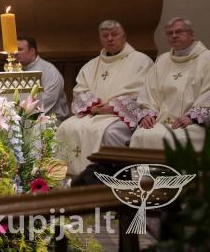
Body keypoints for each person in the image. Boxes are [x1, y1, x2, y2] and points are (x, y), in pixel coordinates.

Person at [56, 20, 152, 177]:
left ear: (124, 36)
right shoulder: (92, 65)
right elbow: (80, 90)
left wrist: (113, 107)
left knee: (110, 132)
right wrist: (93, 107)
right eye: (105, 35)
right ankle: (72, 178)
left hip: (121, 116)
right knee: (65, 127)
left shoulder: (141, 61)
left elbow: (142, 92)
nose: (110, 39)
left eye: (114, 34)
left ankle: (114, 177)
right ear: (100, 39)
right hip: (93, 113)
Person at [130, 17, 209, 151]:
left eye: (179, 32)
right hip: (159, 121)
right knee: (140, 135)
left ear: (191, 34)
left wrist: (192, 117)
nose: (174, 36)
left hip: (192, 124)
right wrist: (148, 114)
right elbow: (149, 92)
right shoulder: (162, 60)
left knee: (179, 139)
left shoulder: (207, 59)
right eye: (169, 33)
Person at [17, 35, 70, 119]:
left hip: (51, 118)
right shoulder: (17, 70)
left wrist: (23, 114)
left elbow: (49, 99)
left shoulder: (49, 70)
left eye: (20, 49)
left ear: (32, 51)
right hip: (24, 117)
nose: (16, 53)